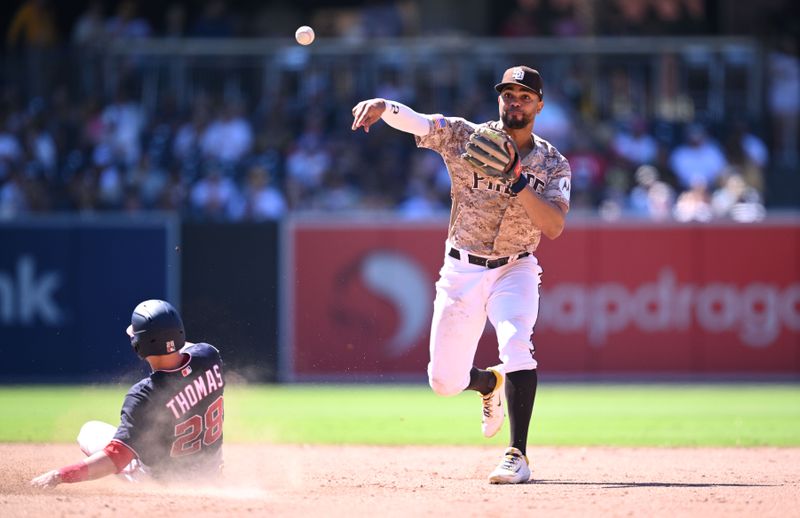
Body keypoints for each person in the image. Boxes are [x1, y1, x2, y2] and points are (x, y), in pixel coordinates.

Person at [351, 66, 571, 484]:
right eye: (508, 94)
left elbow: (554, 226)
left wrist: (518, 180)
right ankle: (489, 384)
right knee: (444, 381)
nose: (515, 102)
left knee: (516, 343)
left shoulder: (554, 164)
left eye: (525, 96)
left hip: (516, 267)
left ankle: (517, 455)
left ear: (540, 105)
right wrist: (385, 106)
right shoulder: (467, 136)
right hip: (462, 269)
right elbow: (423, 123)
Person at [31, 300, 225, 488]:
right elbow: (182, 349)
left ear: (138, 345)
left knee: (89, 431)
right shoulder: (209, 357)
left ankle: (140, 473)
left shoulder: (144, 395)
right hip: (209, 472)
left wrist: (60, 475)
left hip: (164, 484)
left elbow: (114, 457)